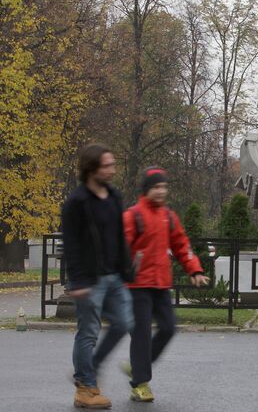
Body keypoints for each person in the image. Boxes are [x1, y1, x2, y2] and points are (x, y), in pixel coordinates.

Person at [122, 167, 209, 402]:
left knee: (169, 328)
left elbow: (182, 245)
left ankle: (139, 366)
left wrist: (195, 269)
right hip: (136, 286)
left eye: (164, 187)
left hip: (160, 283)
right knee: (140, 334)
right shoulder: (133, 216)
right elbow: (119, 249)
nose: (161, 191)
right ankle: (140, 383)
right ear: (146, 190)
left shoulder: (168, 216)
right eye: (156, 187)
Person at [62, 143, 134, 409]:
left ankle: (87, 371)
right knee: (89, 332)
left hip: (114, 276)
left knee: (123, 323)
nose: (113, 170)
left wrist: (126, 268)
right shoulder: (76, 203)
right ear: (92, 169)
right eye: (107, 165)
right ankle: (85, 388)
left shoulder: (114, 196)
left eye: (113, 164)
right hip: (89, 280)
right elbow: (71, 244)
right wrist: (78, 280)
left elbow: (118, 235)